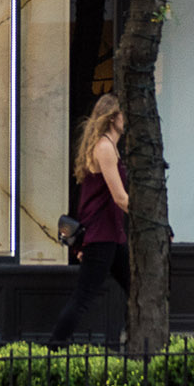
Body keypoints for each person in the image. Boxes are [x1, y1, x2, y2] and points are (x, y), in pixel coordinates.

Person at [48, 94, 132, 346]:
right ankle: (54, 347)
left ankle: (132, 339)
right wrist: (153, 220)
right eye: (123, 114)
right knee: (83, 298)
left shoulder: (110, 146)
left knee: (137, 289)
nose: (126, 119)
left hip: (112, 236)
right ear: (112, 118)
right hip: (102, 237)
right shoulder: (105, 147)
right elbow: (120, 197)